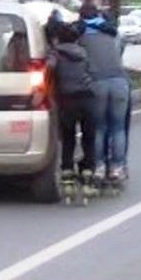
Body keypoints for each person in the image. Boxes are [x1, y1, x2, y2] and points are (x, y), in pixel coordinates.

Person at [78, 5, 131, 184]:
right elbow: (120, 51)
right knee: (118, 127)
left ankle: (99, 166)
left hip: (97, 83)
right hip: (120, 82)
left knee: (99, 127)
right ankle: (117, 167)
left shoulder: (81, 36)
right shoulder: (112, 33)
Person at [48, 24, 95, 197]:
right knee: (88, 137)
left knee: (68, 138)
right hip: (87, 98)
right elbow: (91, 72)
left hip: (67, 100)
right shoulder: (84, 53)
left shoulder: (55, 53)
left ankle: (67, 171)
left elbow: (49, 69)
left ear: (59, 38)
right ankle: (88, 169)